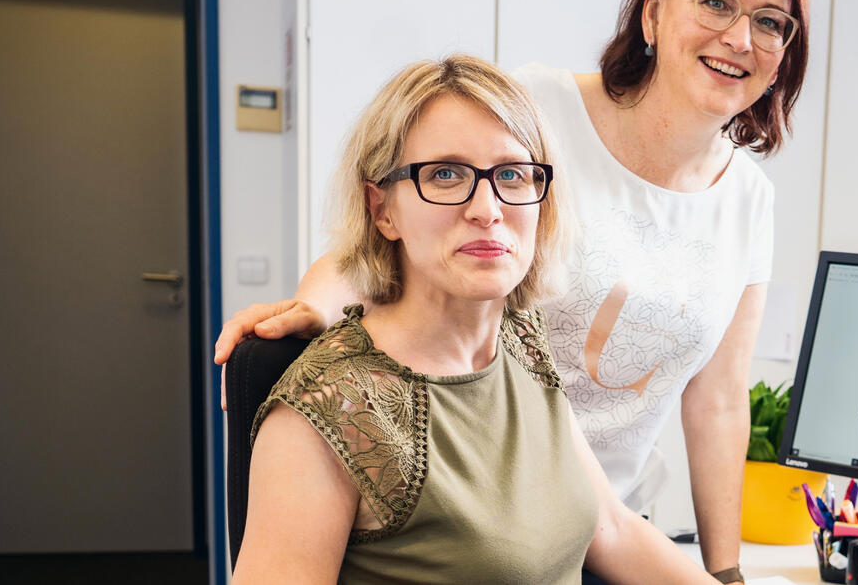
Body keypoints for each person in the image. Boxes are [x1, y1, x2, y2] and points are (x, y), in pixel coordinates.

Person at [217, 0, 810, 582]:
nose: (487, 207)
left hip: (585, 513)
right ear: (653, 12)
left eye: (768, 20)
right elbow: (371, 251)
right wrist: (312, 308)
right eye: (715, 2)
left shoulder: (525, 346)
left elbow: (708, 414)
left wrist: (725, 571)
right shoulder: (529, 110)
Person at [232, 55, 713, 584]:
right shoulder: (326, 413)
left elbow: (614, 531)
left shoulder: (521, 339)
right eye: (445, 174)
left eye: (510, 173)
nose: (487, 208)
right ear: (381, 210)